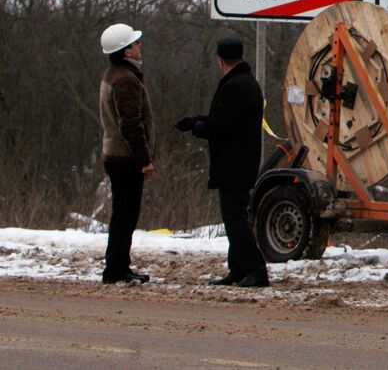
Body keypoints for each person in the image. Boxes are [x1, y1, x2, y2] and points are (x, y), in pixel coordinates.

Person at [176, 37, 269, 287]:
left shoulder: (235, 86)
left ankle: (255, 270)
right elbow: (226, 117)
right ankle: (238, 269)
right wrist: (197, 120)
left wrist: (197, 127)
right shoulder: (245, 82)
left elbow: (221, 125)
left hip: (234, 163)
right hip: (241, 161)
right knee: (234, 217)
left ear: (220, 61)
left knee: (235, 219)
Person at [98, 22, 154, 284]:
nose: (139, 45)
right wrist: (144, 160)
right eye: (135, 43)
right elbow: (131, 124)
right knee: (125, 215)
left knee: (122, 213)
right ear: (126, 51)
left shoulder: (113, 74)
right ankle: (117, 268)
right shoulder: (126, 80)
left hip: (115, 154)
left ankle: (118, 265)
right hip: (125, 158)